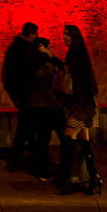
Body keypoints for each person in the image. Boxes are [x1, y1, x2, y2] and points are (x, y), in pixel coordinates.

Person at [56, 24, 102, 195]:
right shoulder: (77, 52)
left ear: (74, 36)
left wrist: (50, 57)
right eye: (64, 34)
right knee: (83, 141)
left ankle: (67, 179)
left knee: (68, 139)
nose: (64, 37)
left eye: (67, 34)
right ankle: (93, 177)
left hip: (80, 104)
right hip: (84, 103)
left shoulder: (78, 53)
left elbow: (69, 70)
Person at [2, 22, 39, 171]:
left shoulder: (14, 48)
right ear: (32, 34)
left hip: (18, 93)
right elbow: (26, 73)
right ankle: (16, 158)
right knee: (25, 126)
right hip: (26, 93)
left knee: (27, 125)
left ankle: (30, 154)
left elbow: (9, 73)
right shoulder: (27, 49)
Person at [29, 37, 64, 181]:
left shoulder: (30, 64)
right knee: (65, 136)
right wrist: (52, 57)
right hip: (50, 106)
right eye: (49, 47)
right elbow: (63, 68)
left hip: (36, 105)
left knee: (42, 140)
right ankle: (64, 169)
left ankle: (41, 171)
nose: (51, 50)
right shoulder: (48, 67)